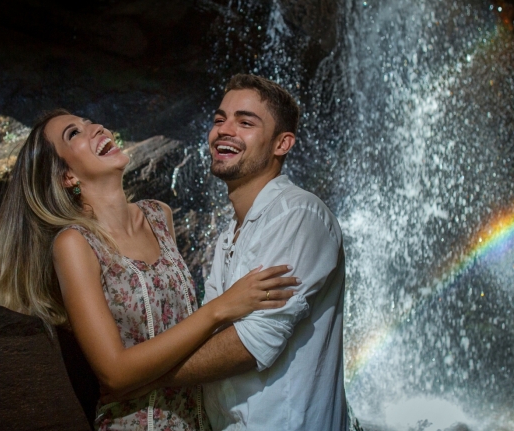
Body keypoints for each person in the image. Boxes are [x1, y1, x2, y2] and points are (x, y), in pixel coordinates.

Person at [0, 108, 299, 430]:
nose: (96, 127)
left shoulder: (159, 216)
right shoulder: (74, 244)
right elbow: (114, 373)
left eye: (89, 122)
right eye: (74, 133)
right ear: (67, 176)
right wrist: (220, 309)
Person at [119, 74, 349, 430]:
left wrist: (140, 378)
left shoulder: (299, 215)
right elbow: (211, 330)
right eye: (219, 119)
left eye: (245, 122)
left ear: (282, 144)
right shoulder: (230, 234)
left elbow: (252, 343)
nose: (224, 130)